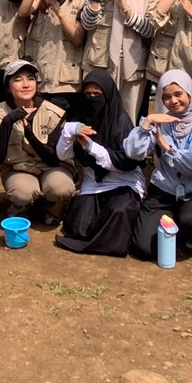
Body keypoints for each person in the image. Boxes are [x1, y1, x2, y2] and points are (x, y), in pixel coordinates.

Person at [127, 70, 192, 259]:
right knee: (143, 248)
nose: (173, 101)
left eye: (178, 94)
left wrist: (166, 148)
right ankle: (172, 223)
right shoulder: (159, 122)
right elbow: (133, 153)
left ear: (189, 93)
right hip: (164, 191)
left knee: (190, 219)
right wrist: (147, 122)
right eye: (166, 97)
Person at [53, 70, 142, 257]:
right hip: (94, 181)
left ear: (108, 95)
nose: (92, 98)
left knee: (118, 211)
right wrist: (70, 130)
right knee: (78, 226)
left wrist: (91, 147)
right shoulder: (80, 118)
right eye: (88, 94)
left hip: (123, 181)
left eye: (97, 94)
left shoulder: (122, 123)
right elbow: (63, 155)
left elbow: (126, 162)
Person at [0, 59, 72, 223]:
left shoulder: (53, 112)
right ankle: (20, 209)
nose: (26, 84)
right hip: (17, 168)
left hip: (50, 166)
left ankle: (53, 210)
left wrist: (30, 135)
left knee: (61, 188)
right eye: (18, 80)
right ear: (8, 87)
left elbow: (53, 159)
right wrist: (8, 122)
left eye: (30, 79)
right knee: (23, 193)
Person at [81, 0, 154, 119]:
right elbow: (87, 24)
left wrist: (126, 8)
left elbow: (150, 30)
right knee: (97, 117)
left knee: (127, 118)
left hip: (134, 67)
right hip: (100, 62)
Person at [20, 0, 88, 104]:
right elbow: (23, 13)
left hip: (65, 80)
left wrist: (60, 14)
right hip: (40, 75)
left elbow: (77, 39)